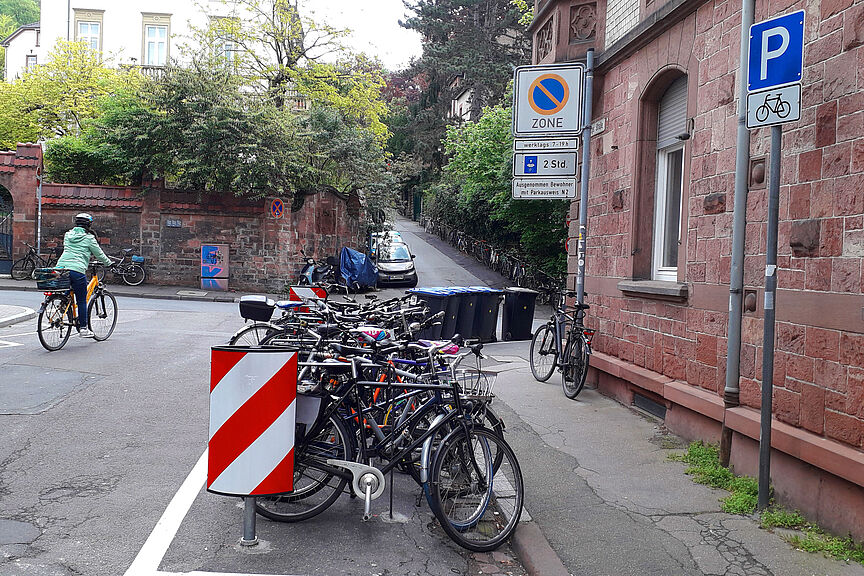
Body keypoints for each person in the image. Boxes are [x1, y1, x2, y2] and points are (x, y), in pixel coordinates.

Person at [54, 213, 112, 338]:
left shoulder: (68, 235)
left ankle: (64, 303)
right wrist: (109, 263)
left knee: (73, 285)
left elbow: (71, 250)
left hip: (61, 267)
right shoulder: (89, 238)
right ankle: (84, 329)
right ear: (89, 224)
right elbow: (99, 254)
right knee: (81, 299)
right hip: (77, 268)